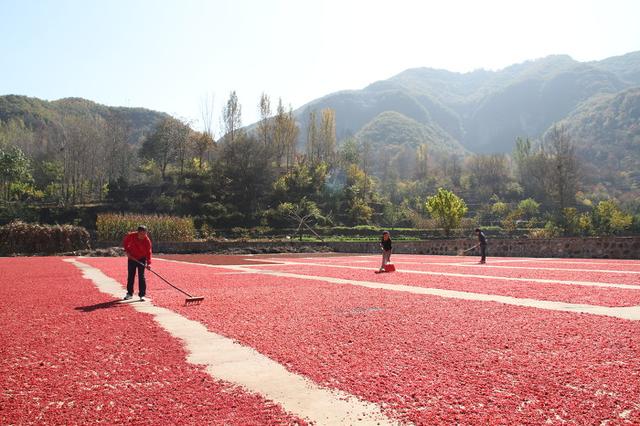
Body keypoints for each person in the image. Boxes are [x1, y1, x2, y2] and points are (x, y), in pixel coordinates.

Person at [122, 225, 152, 301]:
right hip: (132, 258)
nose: (143, 236)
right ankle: (129, 293)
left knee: (141, 276)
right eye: (141, 234)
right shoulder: (131, 236)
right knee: (131, 276)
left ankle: (142, 295)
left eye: (145, 234)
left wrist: (148, 263)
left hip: (142, 258)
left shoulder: (147, 241)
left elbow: (148, 252)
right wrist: (127, 251)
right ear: (137, 233)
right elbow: (125, 243)